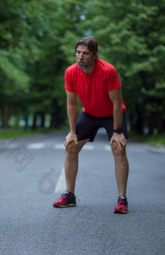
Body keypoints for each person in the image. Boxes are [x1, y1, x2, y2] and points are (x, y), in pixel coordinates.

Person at [52, 37, 129, 214]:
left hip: (112, 114)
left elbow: (117, 103)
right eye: (78, 52)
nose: (80, 57)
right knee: (71, 146)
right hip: (90, 114)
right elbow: (72, 104)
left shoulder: (108, 71)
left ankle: (122, 199)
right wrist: (72, 132)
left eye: (85, 53)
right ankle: (69, 195)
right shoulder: (71, 72)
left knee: (118, 147)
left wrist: (117, 131)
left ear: (95, 55)